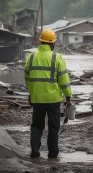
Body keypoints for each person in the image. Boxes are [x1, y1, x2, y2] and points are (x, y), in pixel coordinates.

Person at [25, 29, 72, 159]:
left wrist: (31, 94)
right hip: (53, 100)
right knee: (53, 127)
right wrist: (68, 97)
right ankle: (53, 153)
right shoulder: (56, 57)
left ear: (40, 41)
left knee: (37, 126)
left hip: (37, 99)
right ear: (52, 43)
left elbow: (28, 79)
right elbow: (64, 80)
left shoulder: (31, 56)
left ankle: (35, 150)